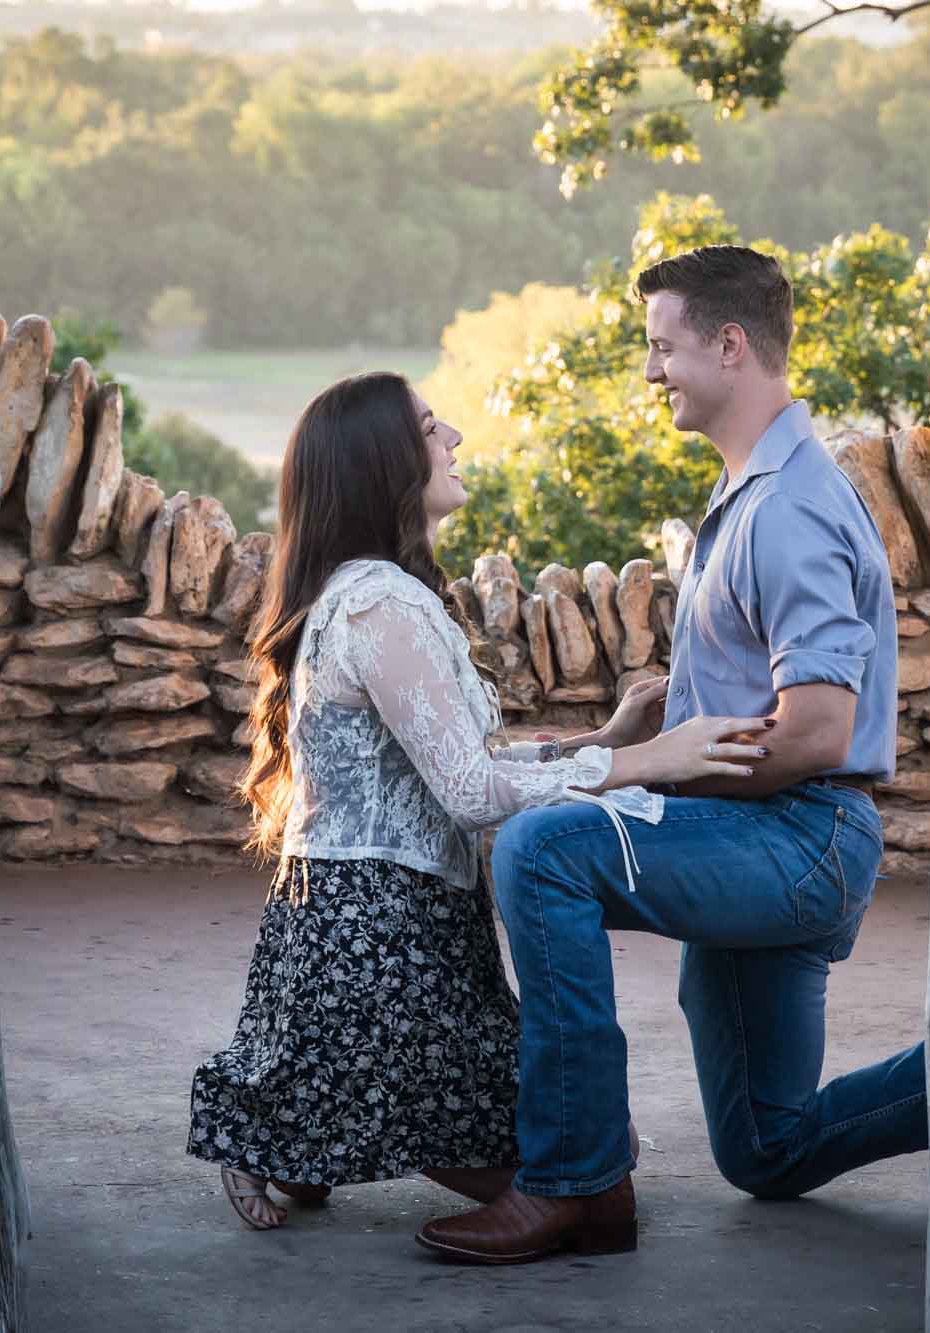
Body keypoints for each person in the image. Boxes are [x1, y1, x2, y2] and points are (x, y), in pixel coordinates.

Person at [416, 246, 928, 1265]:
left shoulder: (787, 507)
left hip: (794, 838)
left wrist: (674, 763)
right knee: (766, 1151)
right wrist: (670, 717)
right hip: (763, 830)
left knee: (540, 849)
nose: (651, 371)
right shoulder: (752, 486)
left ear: (729, 345)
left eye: (663, 347)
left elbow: (819, 730)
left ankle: (576, 1182)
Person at [186, 370, 770, 1231]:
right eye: (429, 426)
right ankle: (271, 1126)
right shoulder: (380, 604)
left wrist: (601, 739)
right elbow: (470, 792)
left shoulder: (380, 592)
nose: (453, 435)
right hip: (375, 939)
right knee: (576, 1179)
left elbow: (456, 760)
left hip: (402, 921)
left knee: (599, 1152)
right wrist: (650, 759)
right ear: (384, 463)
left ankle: (302, 1130)